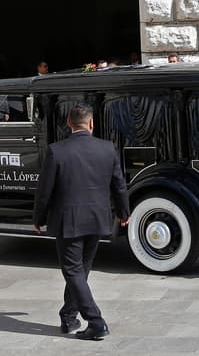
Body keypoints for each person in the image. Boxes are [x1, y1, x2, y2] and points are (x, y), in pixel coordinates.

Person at [33, 104, 130, 340]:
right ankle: (68, 317)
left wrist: (38, 217)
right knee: (80, 270)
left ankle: (95, 321)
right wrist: (124, 212)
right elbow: (119, 184)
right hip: (97, 219)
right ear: (91, 124)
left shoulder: (57, 151)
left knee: (74, 270)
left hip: (69, 221)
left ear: (68, 123)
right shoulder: (107, 148)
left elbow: (44, 191)